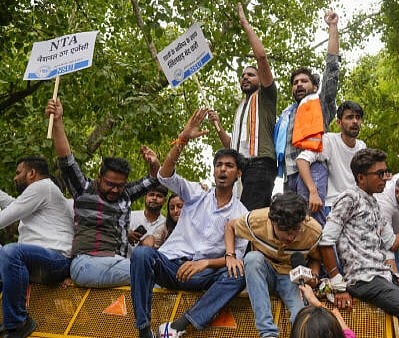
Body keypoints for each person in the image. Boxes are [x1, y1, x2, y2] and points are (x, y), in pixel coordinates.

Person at [130, 108, 248, 338]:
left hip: (202, 275)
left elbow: (236, 259)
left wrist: (204, 264)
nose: (223, 169)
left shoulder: (241, 214)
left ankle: (179, 326)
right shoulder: (196, 193)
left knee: (238, 274)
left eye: (229, 166)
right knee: (142, 255)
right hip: (171, 265)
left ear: (238, 174)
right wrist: (182, 139)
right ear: (213, 171)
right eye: (219, 165)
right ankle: (144, 331)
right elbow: (164, 176)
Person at [319, 149, 399, 338]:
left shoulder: (374, 204)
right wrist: (338, 285)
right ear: (361, 177)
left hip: (384, 275)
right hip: (363, 279)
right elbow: (325, 242)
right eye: (379, 174)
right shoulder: (349, 198)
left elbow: (392, 243)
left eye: (385, 172)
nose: (385, 178)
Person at [45, 98, 160, 288]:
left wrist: (155, 164)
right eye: (110, 184)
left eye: (120, 185)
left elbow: (154, 179)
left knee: (155, 274)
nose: (115, 189)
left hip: (119, 263)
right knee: (151, 275)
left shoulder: (125, 195)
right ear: (99, 178)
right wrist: (57, 121)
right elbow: (66, 160)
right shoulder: (84, 189)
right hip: (88, 263)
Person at [208, 3, 277, 211]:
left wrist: (244, 23)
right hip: (240, 169)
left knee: (247, 217)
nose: (245, 77)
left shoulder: (265, 97)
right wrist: (217, 125)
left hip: (259, 165)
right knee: (238, 215)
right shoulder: (241, 107)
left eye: (251, 74)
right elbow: (232, 145)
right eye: (243, 75)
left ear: (260, 78)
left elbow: (261, 57)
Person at [224, 192, 322, 338]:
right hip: (264, 272)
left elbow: (316, 258)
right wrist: (230, 255)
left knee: (300, 314)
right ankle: (268, 334)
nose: (291, 237)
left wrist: (313, 276)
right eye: (286, 231)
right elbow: (230, 227)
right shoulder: (256, 220)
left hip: (291, 276)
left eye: (295, 230)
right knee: (252, 259)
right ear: (272, 222)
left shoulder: (313, 231)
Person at [0, 156, 74, 338]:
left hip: (56, 261)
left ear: (32, 173)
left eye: (18, 173)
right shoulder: (39, 195)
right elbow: (13, 204)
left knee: (11, 251)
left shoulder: (42, 187)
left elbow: (6, 216)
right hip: (33, 262)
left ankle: (18, 324)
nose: (15, 178)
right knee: (9, 253)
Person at [275, 10, 340, 192]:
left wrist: (333, 27)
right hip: (289, 176)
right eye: (295, 83)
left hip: (313, 169)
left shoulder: (320, 103)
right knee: (289, 221)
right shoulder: (286, 114)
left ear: (314, 86)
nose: (299, 85)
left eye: (304, 81)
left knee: (311, 220)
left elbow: (332, 69)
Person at [296, 101, 366, 225]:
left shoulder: (362, 146)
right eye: (349, 117)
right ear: (339, 123)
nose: (355, 121)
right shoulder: (329, 140)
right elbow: (302, 160)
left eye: (358, 118)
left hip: (355, 209)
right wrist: (313, 192)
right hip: (332, 206)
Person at [127, 185, 168, 256]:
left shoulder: (166, 224)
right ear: (145, 197)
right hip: (124, 262)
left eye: (159, 196)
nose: (154, 198)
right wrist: (126, 234)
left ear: (165, 201)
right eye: (151, 195)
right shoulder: (130, 216)